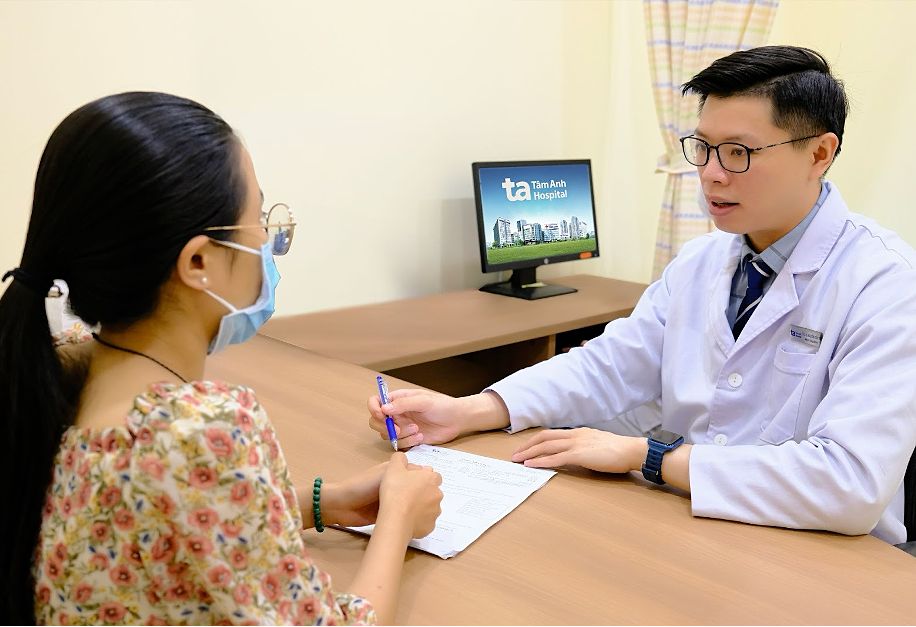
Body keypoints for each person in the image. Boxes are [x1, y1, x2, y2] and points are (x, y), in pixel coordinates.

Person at [369, 45, 916, 545]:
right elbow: (609, 366)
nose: (711, 175)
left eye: (738, 152)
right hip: (698, 525)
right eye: (703, 148)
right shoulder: (702, 261)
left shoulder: (885, 283)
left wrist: (650, 457)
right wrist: (470, 410)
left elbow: (849, 483)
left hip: (829, 554)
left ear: (819, 153)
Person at [0, 91, 443, 625]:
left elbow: (153, 521)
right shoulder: (196, 431)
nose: (268, 241)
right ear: (199, 262)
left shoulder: (60, 373)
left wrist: (320, 502)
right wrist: (397, 518)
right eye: (257, 219)